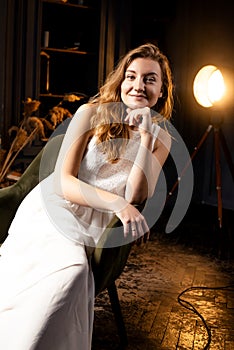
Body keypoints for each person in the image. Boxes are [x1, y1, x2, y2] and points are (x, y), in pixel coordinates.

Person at [0, 43, 174, 349]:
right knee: (70, 275)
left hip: (98, 225)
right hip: (58, 208)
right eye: (131, 76)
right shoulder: (90, 113)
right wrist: (118, 203)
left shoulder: (162, 138)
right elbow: (63, 182)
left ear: (162, 90)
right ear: (121, 81)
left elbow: (135, 193)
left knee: (73, 279)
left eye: (149, 79)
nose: (138, 85)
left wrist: (145, 138)